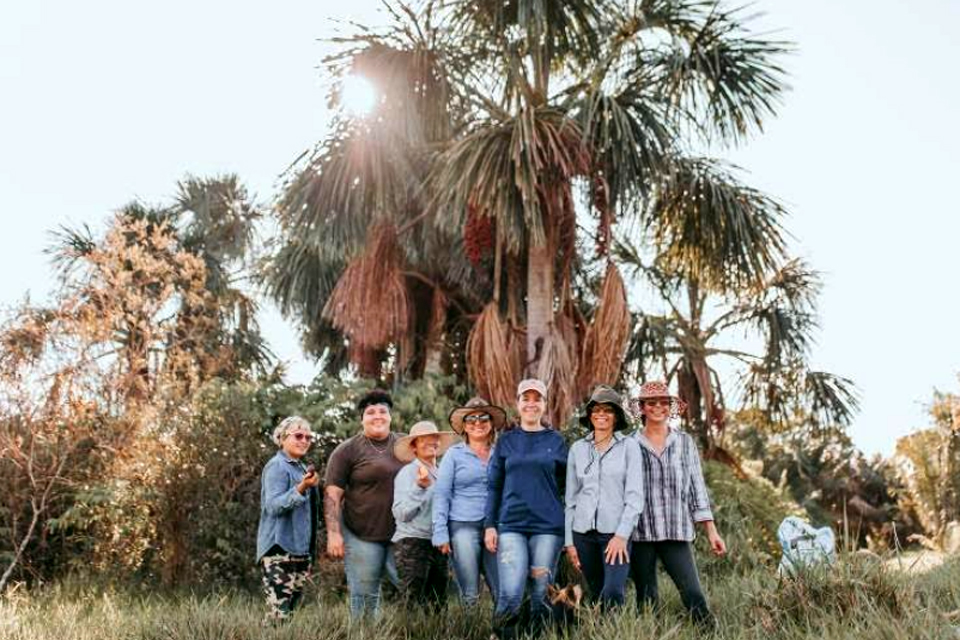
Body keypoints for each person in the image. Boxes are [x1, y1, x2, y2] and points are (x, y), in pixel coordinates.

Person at [629, 380, 727, 629]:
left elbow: (697, 488)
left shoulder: (684, 443)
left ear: (671, 407)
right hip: (641, 532)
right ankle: (648, 635)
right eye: (651, 403)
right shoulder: (630, 444)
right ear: (642, 408)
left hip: (676, 530)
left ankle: (709, 633)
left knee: (693, 593)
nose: (658, 407)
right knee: (646, 600)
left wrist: (711, 530)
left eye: (663, 402)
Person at [485, 379, 568, 639]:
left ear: (545, 405)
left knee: (541, 592)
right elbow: (494, 486)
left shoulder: (557, 442)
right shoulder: (506, 442)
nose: (531, 403)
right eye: (526, 398)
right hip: (511, 526)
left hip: (548, 528)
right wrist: (490, 525)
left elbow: (567, 486)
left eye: (537, 399)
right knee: (510, 593)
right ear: (517, 403)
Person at [324, 389, 404, 619]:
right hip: (360, 534)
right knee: (365, 596)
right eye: (370, 412)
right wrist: (333, 534)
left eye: (382, 411)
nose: (377, 415)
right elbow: (332, 494)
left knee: (413, 589)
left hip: (402, 534)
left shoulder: (406, 444)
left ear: (390, 416)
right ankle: (365, 634)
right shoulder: (347, 450)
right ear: (362, 419)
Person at [564, 385, 643, 610]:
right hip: (583, 534)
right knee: (598, 590)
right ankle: (603, 631)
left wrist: (621, 536)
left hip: (616, 533)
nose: (601, 414)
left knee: (613, 591)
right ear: (589, 415)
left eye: (608, 410)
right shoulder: (577, 449)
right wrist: (570, 542)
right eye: (596, 409)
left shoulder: (630, 447)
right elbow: (571, 500)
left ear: (616, 416)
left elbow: (635, 497)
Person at [433, 397, 505, 607]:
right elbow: (442, 494)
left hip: (495, 527)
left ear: (491, 423)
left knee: (502, 590)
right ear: (464, 426)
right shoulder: (454, 455)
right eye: (471, 419)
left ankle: (501, 632)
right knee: (470, 592)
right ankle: (470, 631)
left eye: (483, 418)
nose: (477, 423)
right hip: (462, 525)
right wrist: (440, 531)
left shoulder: (501, 454)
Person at [256, 416, 320, 624]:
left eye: (308, 437)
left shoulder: (301, 468)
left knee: (289, 614)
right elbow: (273, 506)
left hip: (300, 551)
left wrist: (309, 552)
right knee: (278, 616)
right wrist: (301, 488)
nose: (304, 440)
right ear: (283, 438)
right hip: (279, 550)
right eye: (298, 435)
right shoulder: (277, 466)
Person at [391, 420, 459, 609]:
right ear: (414, 447)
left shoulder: (443, 473)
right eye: (424, 439)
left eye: (434, 438)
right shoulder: (407, 473)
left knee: (438, 602)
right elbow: (400, 513)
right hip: (412, 542)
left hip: (439, 543)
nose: (431, 442)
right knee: (410, 600)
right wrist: (419, 488)